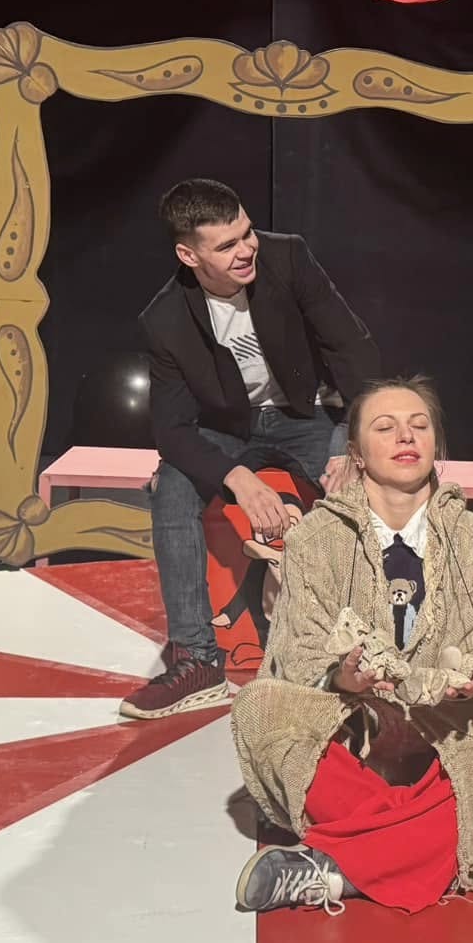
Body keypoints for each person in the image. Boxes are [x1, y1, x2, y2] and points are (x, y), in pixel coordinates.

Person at [229, 378, 473, 913]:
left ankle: (335, 872)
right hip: (351, 740)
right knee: (258, 706)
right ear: (356, 455)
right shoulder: (315, 538)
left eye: (419, 425)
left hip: (439, 737)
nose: (406, 436)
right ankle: (469, 841)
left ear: (435, 445)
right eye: (386, 427)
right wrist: (343, 677)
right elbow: (294, 656)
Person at [120, 179, 381, 720]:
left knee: (373, 474)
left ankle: (377, 650)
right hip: (229, 429)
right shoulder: (164, 320)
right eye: (226, 245)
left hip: (307, 415)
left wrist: (354, 444)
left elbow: (351, 349)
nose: (246, 250)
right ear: (189, 255)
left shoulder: (288, 258)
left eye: (247, 233)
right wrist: (237, 477)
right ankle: (198, 662)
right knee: (173, 485)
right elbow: (173, 430)